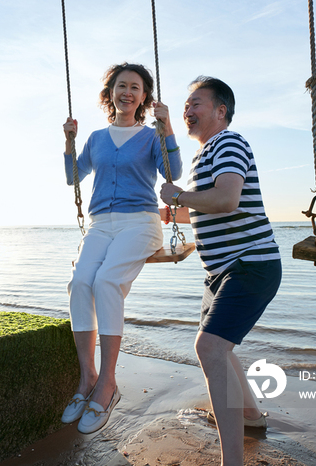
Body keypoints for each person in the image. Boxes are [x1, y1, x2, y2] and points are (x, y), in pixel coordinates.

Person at [160, 76, 281, 466]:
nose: (188, 111)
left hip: (250, 264)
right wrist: (172, 208)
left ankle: (233, 461)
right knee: (220, 349)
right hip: (221, 271)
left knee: (209, 347)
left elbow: (227, 198)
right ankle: (251, 416)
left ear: (220, 111)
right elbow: (204, 206)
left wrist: (179, 195)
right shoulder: (204, 155)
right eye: (186, 105)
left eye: (196, 103)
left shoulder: (228, 142)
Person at [61, 62, 182, 434]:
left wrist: (168, 128)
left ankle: (108, 384)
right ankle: (87, 379)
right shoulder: (96, 138)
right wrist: (68, 141)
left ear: (144, 97)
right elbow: (73, 177)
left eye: (136, 87)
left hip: (140, 222)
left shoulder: (149, 136)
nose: (127, 92)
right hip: (100, 223)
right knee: (81, 282)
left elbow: (172, 172)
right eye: (121, 86)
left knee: (106, 282)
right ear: (110, 92)